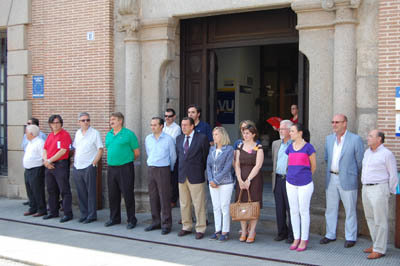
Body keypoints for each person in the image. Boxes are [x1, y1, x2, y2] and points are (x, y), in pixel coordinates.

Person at [320, 114, 364, 248]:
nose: (334, 124)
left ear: (345, 123)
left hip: (348, 179)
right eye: (332, 122)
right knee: (331, 208)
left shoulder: (355, 139)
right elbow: (327, 158)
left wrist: (351, 173)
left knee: (350, 209)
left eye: (337, 122)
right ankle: (330, 234)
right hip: (331, 178)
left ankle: (350, 237)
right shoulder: (329, 139)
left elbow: (360, 161)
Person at [361, 130, 398, 260]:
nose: (368, 138)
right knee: (370, 218)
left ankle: (380, 249)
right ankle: (376, 244)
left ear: (379, 139)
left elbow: (393, 174)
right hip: (366, 188)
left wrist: (389, 191)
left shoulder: (387, 154)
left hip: (379, 188)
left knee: (380, 220)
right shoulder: (367, 152)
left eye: (371, 136)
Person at [176, 117, 209, 240]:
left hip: (196, 175)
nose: (183, 127)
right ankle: (186, 226)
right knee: (184, 203)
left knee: (198, 204)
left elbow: (205, 157)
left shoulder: (202, 138)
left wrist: (201, 170)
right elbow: (179, 157)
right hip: (182, 175)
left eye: (186, 125)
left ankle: (200, 228)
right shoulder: (179, 139)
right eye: (182, 125)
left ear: (192, 126)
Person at [105, 112, 140, 229]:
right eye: (110, 119)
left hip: (125, 168)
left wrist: (126, 160)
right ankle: (114, 218)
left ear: (120, 121)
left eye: (113, 119)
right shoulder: (109, 134)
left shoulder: (129, 134)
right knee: (113, 194)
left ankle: (131, 219)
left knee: (128, 194)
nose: (111, 121)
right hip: (111, 168)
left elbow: (136, 153)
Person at [285, 123, 316, 252]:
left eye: (292, 131)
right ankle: (296, 238)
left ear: (300, 133)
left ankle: (304, 239)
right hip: (290, 182)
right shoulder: (290, 147)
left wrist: (305, 177)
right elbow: (289, 164)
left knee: (303, 211)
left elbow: (313, 166)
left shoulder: (309, 147)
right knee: (293, 211)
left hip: (305, 183)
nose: (290, 133)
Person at [145, 117, 176, 235]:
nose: (152, 127)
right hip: (151, 168)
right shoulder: (148, 138)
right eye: (151, 125)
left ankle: (166, 224)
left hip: (163, 169)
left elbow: (173, 156)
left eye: (155, 125)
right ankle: (155, 222)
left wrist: (169, 169)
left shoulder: (168, 139)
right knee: (153, 197)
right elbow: (149, 153)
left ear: (161, 126)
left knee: (164, 197)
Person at [72, 112, 103, 224]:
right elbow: (76, 148)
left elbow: (100, 149)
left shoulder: (95, 133)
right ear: (79, 122)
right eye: (83, 120)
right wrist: (74, 162)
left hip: (89, 166)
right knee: (81, 192)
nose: (86, 122)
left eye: (87, 120)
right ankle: (84, 214)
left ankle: (91, 215)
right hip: (77, 167)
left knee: (91, 192)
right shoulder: (77, 133)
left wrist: (94, 163)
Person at [235, 125, 264, 243]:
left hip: (254, 180)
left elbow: (258, 165)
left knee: (254, 205)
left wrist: (248, 180)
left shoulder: (258, 147)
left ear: (253, 134)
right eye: (244, 133)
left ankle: (252, 231)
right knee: (242, 204)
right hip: (241, 179)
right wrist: (240, 180)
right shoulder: (239, 146)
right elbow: (236, 164)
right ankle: (243, 230)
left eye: (247, 133)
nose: (245, 135)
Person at [42, 115, 73, 223]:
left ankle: (67, 214)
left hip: (60, 165)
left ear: (61, 123)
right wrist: (46, 161)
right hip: (49, 165)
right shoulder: (50, 135)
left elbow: (63, 151)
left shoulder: (65, 135)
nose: (55, 125)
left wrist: (49, 161)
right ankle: (53, 212)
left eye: (57, 122)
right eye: (53, 123)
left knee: (64, 190)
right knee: (51, 190)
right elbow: (45, 149)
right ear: (50, 124)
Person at [206, 127, 234, 242]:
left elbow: (227, 168)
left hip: (225, 183)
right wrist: (211, 180)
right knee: (216, 207)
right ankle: (217, 230)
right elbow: (208, 165)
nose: (214, 136)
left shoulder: (229, 149)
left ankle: (225, 231)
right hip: (212, 183)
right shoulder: (212, 149)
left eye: (216, 134)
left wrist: (216, 180)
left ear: (222, 136)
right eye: (213, 134)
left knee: (224, 207)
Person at [271, 120, 294, 243]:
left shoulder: (295, 144)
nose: (280, 131)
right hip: (278, 179)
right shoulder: (275, 144)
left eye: (283, 129)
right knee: (279, 208)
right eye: (280, 129)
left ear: (290, 131)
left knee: (291, 208)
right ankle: (281, 233)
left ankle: (292, 234)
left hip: (290, 179)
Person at [21, 117, 47, 206]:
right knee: (29, 189)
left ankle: (41, 209)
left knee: (37, 190)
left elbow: (44, 156)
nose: (25, 134)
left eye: (27, 132)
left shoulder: (40, 142)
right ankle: (32, 207)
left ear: (31, 133)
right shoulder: (30, 142)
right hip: (28, 169)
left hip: (36, 169)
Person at [163, 108, 181, 208]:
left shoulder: (177, 128)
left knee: (173, 180)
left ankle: (173, 200)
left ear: (174, 117)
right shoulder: (163, 126)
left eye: (169, 116)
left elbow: (171, 141)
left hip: (172, 156)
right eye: (166, 116)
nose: (167, 118)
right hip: (162, 157)